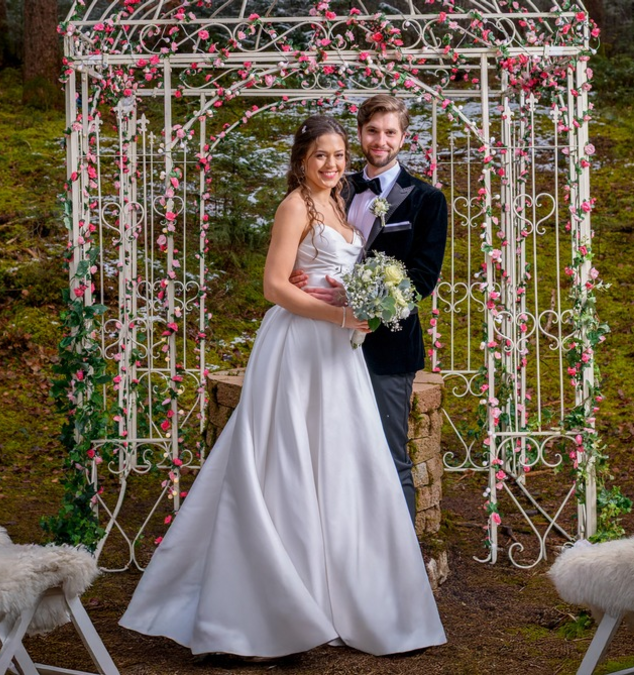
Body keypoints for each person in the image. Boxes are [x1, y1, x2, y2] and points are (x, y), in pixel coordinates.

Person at [119, 115, 446, 658]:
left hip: (338, 354)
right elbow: (274, 286)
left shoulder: (340, 203)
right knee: (286, 460)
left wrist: (351, 298)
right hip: (300, 345)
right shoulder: (295, 205)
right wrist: (338, 313)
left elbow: (345, 270)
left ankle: (330, 596)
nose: (332, 164)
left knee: (336, 464)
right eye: (321, 155)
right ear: (301, 159)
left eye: (338, 155)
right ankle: (260, 608)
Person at [291, 95, 449, 521]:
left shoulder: (426, 200)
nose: (381, 141)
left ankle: (402, 556)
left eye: (390, 132)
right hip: (323, 341)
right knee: (329, 453)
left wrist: (358, 299)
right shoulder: (332, 186)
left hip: (386, 348)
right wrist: (297, 274)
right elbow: (301, 243)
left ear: (404, 137)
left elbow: (421, 279)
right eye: (373, 131)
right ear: (360, 134)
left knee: (389, 455)